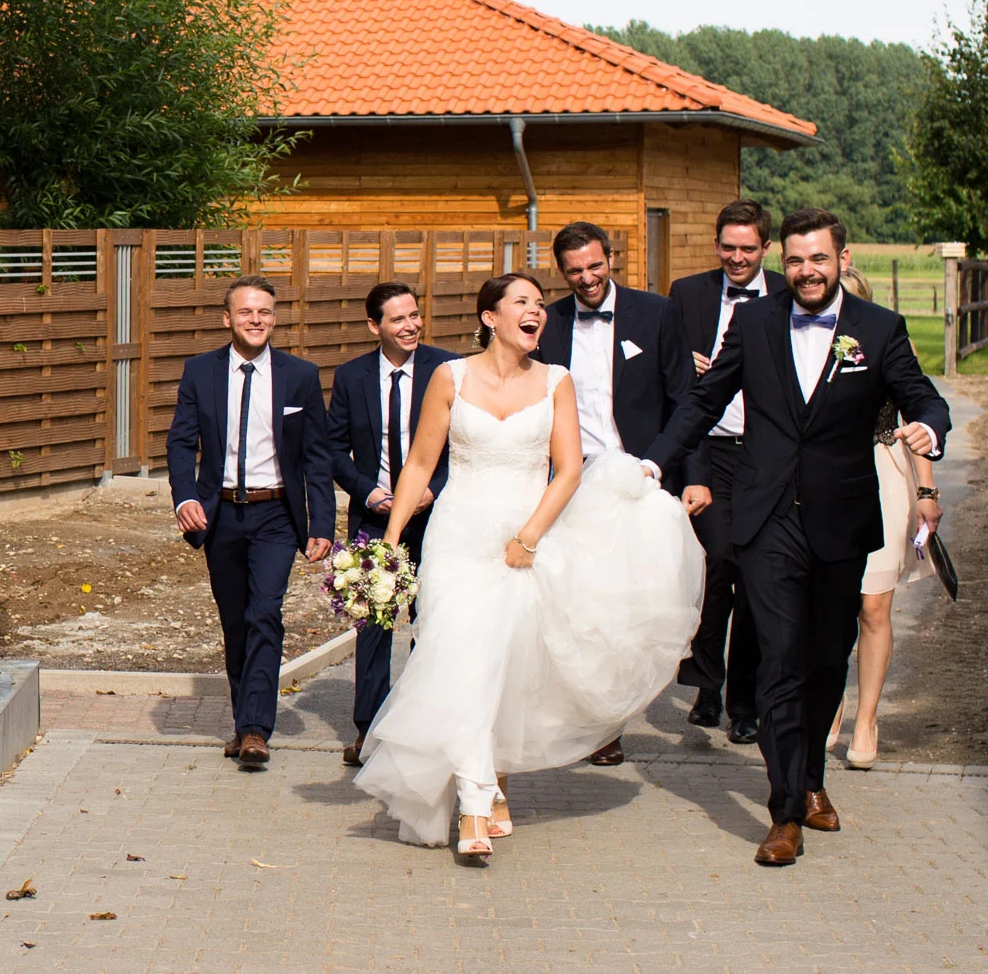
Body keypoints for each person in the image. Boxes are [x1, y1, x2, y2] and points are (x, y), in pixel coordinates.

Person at [354, 272, 703, 858]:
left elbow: (567, 470)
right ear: (490, 317)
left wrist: (531, 536)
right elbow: (418, 465)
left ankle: (491, 786)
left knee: (505, 667)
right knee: (459, 660)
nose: (536, 312)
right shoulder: (450, 376)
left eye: (540, 305)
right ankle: (471, 805)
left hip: (525, 538)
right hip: (457, 538)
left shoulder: (556, 381)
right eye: (522, 303)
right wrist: (389, 546)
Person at [642, 208, 952, 867]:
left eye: (819, 258)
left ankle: (811, 778)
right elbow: (702, 400)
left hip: (841, 519)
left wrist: (930, 427)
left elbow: (923, 396)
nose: (807, 271)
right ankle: (786, 811)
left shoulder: (878, 328)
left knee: (822, 661)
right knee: (780, 660)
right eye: (797, 259)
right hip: (768, 514)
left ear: (841, 258)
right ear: (786, 260)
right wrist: (657, 458)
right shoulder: (754, 321)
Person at [534, 221, 703, 767]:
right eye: (574, 271)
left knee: (633, 607)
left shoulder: (657, 314)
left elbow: (686, 399)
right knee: (579, 606)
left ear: (612, 258)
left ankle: (615, 712)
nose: (586, 278)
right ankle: (597, 727)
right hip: (571, 483)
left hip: (638, 481)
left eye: (594, 265)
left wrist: (688, 473)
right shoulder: (549, 324)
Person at [166, 275, 335, 768]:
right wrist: (183, 499)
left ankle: (256, 729)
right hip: (220, 515)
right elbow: (181, 442)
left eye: (264, 312)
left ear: (274, 318)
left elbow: (317, 456)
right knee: (236, 622)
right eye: (246, 313)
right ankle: (245, 722)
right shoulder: (200, 372)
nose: (256, 320)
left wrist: (321, 522)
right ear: (228, 319)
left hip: (276, 514)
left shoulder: (299, 374)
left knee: (265, 612)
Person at [667, 200, 788, 745]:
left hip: (762, 453)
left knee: (754, 572)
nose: (737, 258)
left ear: (765, 248)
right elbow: (672, 374)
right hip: (708, 453)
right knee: (717, 565)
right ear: (716, 245)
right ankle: (707, 682)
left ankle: (745, 702)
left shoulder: (787, 294)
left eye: (747, 249)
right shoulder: (687, 294)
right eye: (728, 247)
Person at [327, 283, 460, 766]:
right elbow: (334, 449)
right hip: (374, 516)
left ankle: (434, 731)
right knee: (375, 625)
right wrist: (369, 492)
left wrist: (433, 489)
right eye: (399, 319)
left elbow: (461, 441)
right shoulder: (351, 376)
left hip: (435, 515)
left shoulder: (445, 370)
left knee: (435, 623)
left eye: (415, 316)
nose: (411, 326)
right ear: (374, 326)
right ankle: (371, 731)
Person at [827, 267, 941, 769]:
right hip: (822, 475)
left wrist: (926, 490)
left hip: (882, 473)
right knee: (827, 606)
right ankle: (831, 703)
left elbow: (917, 418)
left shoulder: (893, 346)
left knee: (873, 606)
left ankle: (867, 717)